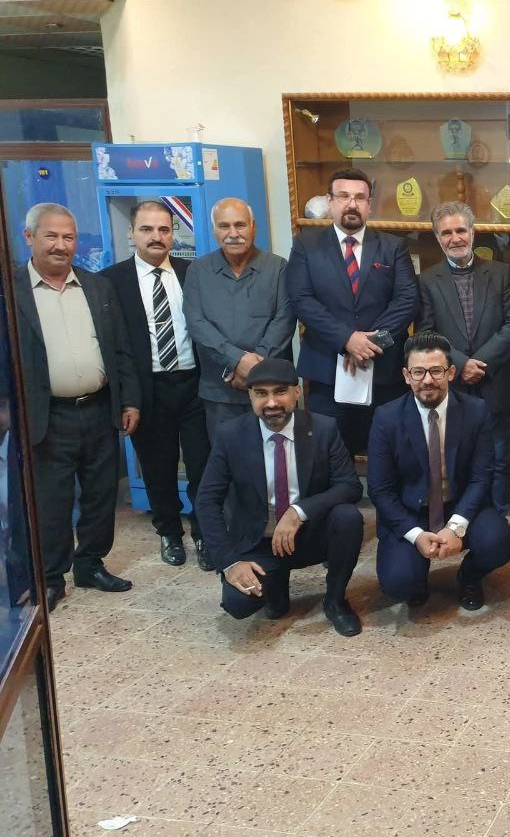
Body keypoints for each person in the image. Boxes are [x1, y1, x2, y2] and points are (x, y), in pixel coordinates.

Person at [16, 203, 140, 609]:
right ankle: (51, 576)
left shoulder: (97, 286)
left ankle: (90, 564)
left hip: (100, 408)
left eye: (68, 237)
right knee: (51, 501)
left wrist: (129, 400)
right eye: (51, 236)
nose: (61, 245)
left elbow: (121, 349)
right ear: (29, 237)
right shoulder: (11, 290)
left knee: (101, 494)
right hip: (46, 415)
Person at [195, 357, 364, 637]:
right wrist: (229, 562)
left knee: (348, 518)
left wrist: (299, 511)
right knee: (238, 604)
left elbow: (349, 486)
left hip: (310, 534)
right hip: (260, 542)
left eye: (280, 392)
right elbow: (206, 501)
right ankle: (276, 585)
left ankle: (335, 601)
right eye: (261, 393)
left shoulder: (323, 428)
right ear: (250, 396)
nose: (271, 402)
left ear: (296, 392)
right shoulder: (230, 435)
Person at [367, 332, 510, 613]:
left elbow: (481, 476)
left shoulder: (476, 411)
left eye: (436, 371)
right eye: (418, 372)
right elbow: (380, 489)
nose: (427, 380)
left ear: (451, 373)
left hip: (459, 505)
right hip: (411, 511)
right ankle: (416, 577)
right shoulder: (386, 418)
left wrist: (455, 526)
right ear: (406, 376)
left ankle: (469, 576)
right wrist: (415, 534)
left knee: (499, 543)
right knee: (398, 583)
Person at [102, 200, 212, 570]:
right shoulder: (110, 281)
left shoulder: (193, 272)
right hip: (148, 390)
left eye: (164, 229)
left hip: (195, 385)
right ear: (131, 233)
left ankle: (204, 532)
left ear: (173, 234)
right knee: (158, 467)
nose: (156, 237)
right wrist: (126, 399)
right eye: (147, 229)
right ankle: (169, 532)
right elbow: (114, 348)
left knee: (203, 465)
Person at [285, 167, 418, 458]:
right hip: (326, 371)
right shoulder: (306, 245)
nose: (351, 204)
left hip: (383, 371)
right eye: (343, 196)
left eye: (359, 197)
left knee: (388, 453)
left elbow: (407, 300)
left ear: (370, 205)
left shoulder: (393, 246)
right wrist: (346, 339)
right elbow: (302, 300)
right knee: (328, 454)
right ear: (330, 202)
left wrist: (370, 343)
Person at [417, 201, 510, 516]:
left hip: (494, 381)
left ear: (473, 233)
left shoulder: (501, 273)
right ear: (438, 238)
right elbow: (426, 332)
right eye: (446, 233)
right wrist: (462, 364)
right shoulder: (427, 280)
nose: (455, 238)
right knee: (457, 457)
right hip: (452, 383)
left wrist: (480, 364)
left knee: (498, 457)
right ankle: (462, 520)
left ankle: (498, 520)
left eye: (461, 230)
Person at [184, 197, 296, 438]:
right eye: (224, 226)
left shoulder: (278, 267)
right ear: (214, 230)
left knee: (277, 453)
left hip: (272, 389)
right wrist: (236, 361)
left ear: (253, 227)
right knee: (228, 456)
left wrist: (254, 370)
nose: (233, 234)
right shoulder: (198, 271)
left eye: (240, 225)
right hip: (220, 391)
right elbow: (196, 323)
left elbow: (285, 320)